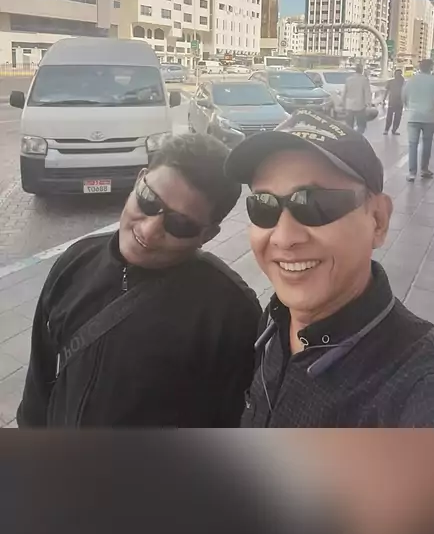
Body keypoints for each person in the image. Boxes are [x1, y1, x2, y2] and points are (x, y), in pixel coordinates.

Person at [224, 110, 434, 427]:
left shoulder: (423, 388)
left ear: (378, 220)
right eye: (263, 205)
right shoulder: (275, 320)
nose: (284, 237)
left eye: (313, 203)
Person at [17, 133, 261, 427]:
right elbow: (39, 382)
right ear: (139, 180)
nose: (148, 231)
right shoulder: (75, 261)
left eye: (179, 224)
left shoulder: (231, 313)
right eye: (148, 200)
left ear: (207, 235)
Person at [402, 58, 434, 182]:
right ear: (431, 67)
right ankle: (424, 169)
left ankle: (412, 173)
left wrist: (410, 107)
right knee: (427, 144)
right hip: (429, 118)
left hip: (413, 116)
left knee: (412, 145)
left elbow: (404, 97)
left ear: (420, 67)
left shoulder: (411, 80)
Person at [343, 64, 371, 133]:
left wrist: (343, 104)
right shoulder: (364, 80)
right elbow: (367, 93)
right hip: (360, 106)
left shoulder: (348, 79)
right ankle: (358, 136)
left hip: (349, 105)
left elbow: (344, 92)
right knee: (361, 125)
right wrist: (368, 104)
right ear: (362, 70)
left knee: (349, 125)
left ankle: (350, 136)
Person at [382, 68, 405, 134]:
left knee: (396, 117)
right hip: (394, 102)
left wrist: (384, 99)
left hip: (398, 102)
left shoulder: (402, 82)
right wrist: (384, 99)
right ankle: (388, 130)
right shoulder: (392, 82)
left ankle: (391, 130)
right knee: (391, 116)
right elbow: (386, 91)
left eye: (399, 74)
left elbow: (386, 91)